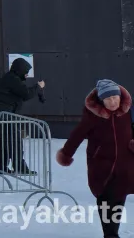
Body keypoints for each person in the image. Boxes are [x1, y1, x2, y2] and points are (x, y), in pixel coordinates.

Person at [57, 80, 134, 238]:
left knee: (119, 198)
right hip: (101, 166)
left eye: (115, 97)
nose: (112, 102)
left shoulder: (127, 113)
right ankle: (110, 233)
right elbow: (77, 135)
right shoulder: (92, 117)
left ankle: (112, 231)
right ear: (101, 100)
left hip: (125, 165)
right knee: (105, 199)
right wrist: (66, 153)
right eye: (108, 98)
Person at [0, 57, 45, 174]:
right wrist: (38, 87)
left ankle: (1, 167)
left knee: (5, 142)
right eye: (26, 72)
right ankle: (20, 167)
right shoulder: (12, 79)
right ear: (20, 70)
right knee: (15, 141)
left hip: (2, 116)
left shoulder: (10, 78)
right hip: (5, 117)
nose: (27, 75)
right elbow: (26, 94)